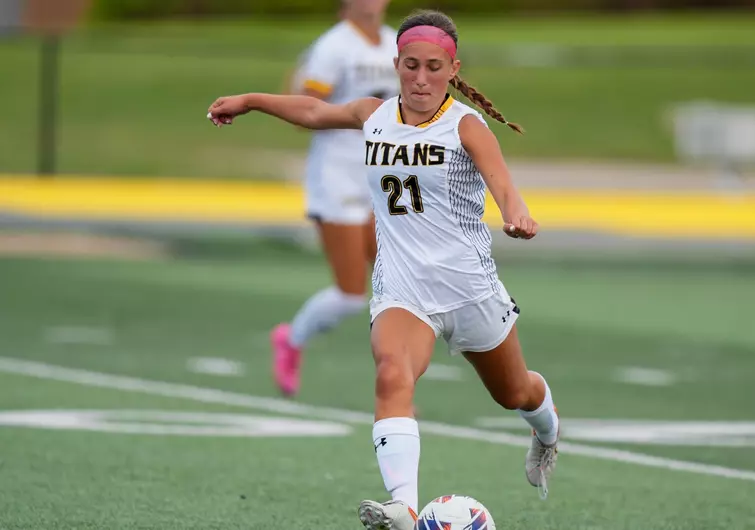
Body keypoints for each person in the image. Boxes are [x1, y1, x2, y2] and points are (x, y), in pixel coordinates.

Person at [208, 9, 561, 530]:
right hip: (403, 290)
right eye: (411, 65)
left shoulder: (464, 125)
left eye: (434, 68)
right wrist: (250, 101)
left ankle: (548, 433)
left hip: (468, 290)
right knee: (392, 375)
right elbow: (311, 110)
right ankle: (404, 506)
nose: (421, 78)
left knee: (515, 393)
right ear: (395, 63)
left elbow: (502, 184)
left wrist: (517, 215)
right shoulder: (373, 114)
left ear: (453, 68)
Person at [272, 0, 399, 397]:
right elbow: (306, 112)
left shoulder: (397, 42)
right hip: (338, 177)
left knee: (399, 285)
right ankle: (292, 339)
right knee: (350, 294)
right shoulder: (333, 46)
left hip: (382, 176)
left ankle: (398, 387)